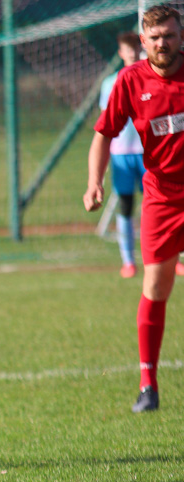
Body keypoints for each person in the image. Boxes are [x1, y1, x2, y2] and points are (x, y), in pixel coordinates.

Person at [83, 4, 184, 413]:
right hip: (161, 197)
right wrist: (94, 181)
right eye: (155, 37)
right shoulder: (130, 81)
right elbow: (103, 134)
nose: (163, 43)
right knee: (156, 288)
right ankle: (148, 384)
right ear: (143, 42)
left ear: (181, 37)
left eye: (170, 35)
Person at [99, 32, 146, 278]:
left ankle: (163, 257)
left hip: (148, 153)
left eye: (136, 48)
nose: (133, 53)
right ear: (120, 53)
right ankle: (128, 261)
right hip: (121, 154)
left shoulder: (150, 77)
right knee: (126, 205)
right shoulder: (110, 83)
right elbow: (103, 126)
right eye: (128, 49)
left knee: (154, 207)